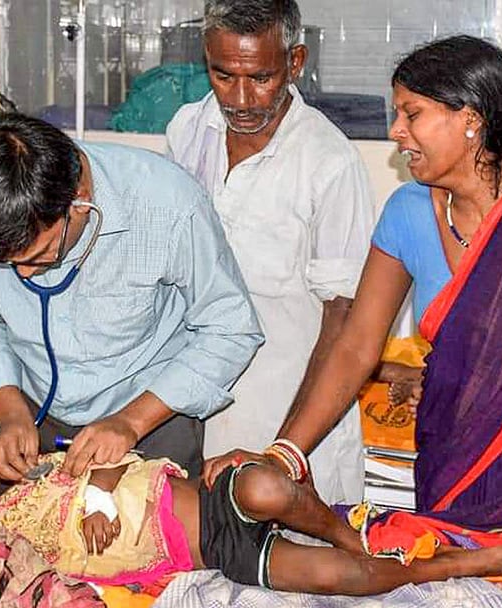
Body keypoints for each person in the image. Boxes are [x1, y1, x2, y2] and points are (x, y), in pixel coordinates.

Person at [205, 35, 502, 558]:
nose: (396, 132)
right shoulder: (407, 213)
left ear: (470, 117)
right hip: (453, 457)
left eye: (411, 113)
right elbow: (355, 348)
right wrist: (286, 454)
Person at [0, 113, 264, 481]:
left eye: (38, 255)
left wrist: (132, 421)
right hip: (36, 411)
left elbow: (230, 330)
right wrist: (10, 410)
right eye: (7, 263)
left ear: (81, 202)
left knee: (149, 534)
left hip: (152, 417)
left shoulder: (167, 203)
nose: (23, 275)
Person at [166, 0, 375, 504]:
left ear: (295, 63)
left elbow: (344, 320)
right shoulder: (187, 130)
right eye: (222, 75)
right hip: (199, 428)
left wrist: (285, 449)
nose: (239, 98)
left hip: (298, 435)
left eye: (260, 77)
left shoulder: (329, 162)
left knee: (297, 577)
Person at [0, 454, 502, 595]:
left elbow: (107, 456)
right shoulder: (2, 555)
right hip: (213, 554)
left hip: (205, 499)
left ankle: (337, 524)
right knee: (342, 579)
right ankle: (449, 568)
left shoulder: (35, 475)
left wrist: (101, 495)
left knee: (263, 485)